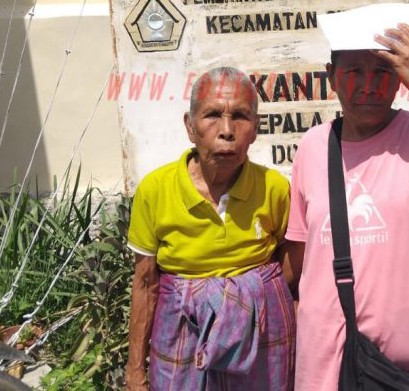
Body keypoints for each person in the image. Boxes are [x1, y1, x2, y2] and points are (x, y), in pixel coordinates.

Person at [281, 20, 409, 390]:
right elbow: (301, 251)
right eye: (355, 71)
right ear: (332, 76)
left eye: (383, 72)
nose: (370, 84)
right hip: (325, 361)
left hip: (408, 372)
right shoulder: (313, 146)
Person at [125, 67, 295, 391]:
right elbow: (145, 284)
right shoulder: (155, 190)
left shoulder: (274, 188)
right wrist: (135, 374)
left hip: (260, 335)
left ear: (256, 129)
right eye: (213, 115)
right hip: (181, 333)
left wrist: (249, 297)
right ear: (190, 127)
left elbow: (291, 267)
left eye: (240, 116)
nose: (227, 131)